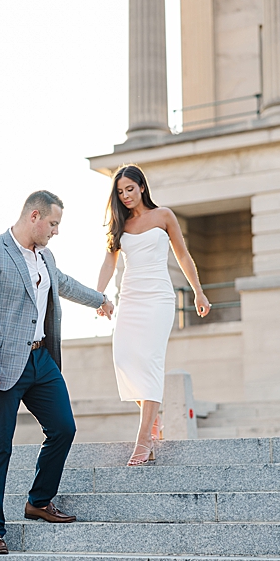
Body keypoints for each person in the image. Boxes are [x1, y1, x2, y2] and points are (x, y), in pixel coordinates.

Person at [0, 190, 115, 555]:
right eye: (53, 223)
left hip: (40, 360)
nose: (55, 231)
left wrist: (101, 300)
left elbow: (64, 284)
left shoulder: (45, 256)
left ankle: (39, 501)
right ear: (34, 216)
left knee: (64, 428)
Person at [97, 164, 210, 466]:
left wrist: (198, 291)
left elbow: (183, 254)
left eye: (130, 189)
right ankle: (153, 419)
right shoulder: (119, 226)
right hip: (130, 300)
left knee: (150, 361)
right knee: (123, 359)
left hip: (158, 298)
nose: (126, 196)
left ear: (142, 187)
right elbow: (109, 264)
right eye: (120, 192)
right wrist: (98, 295)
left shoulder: (164, 216)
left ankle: (144, 437)